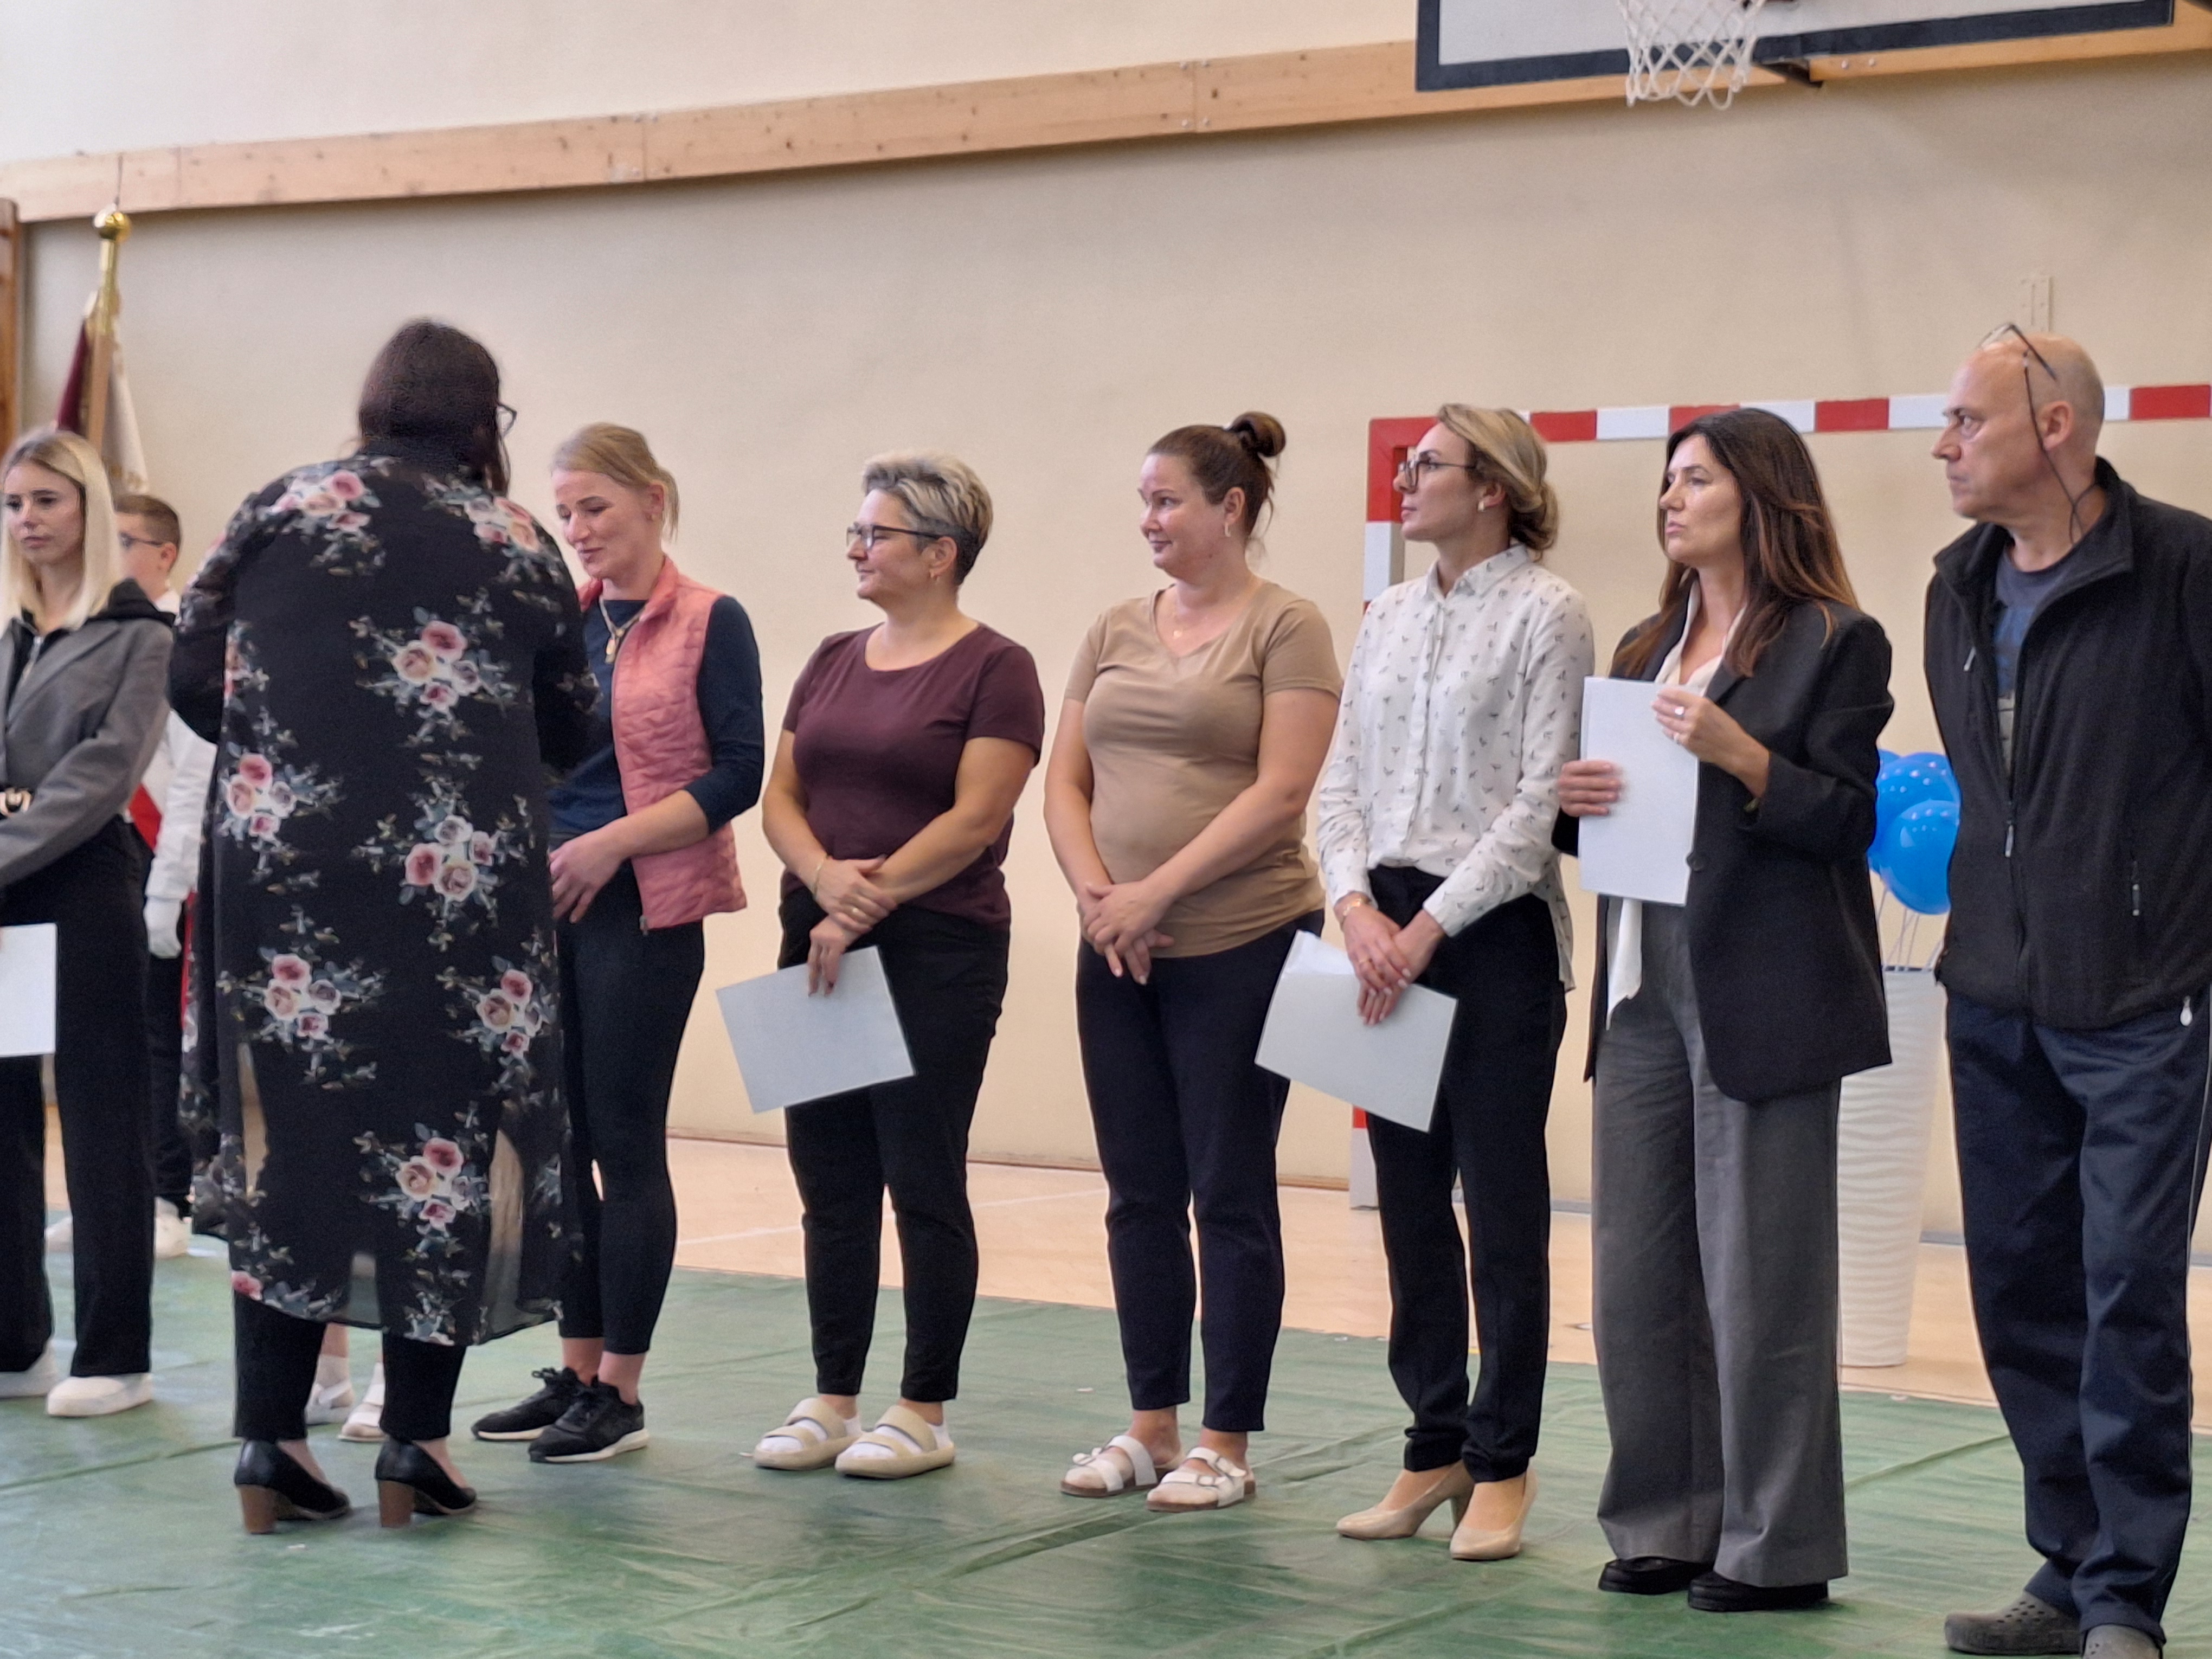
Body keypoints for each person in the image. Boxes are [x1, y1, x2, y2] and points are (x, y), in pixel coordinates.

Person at [170, 320, 596, 1532]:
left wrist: (303, 746)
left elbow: (192, 676)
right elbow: (573, 720)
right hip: (459, 892)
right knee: (443, 1151)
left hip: (286, 882)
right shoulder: (514, 538)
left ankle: (269, 1446)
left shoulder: (280, 507)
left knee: (286, 1148)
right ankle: (415, 1445)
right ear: (481, 420)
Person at [1555, 408, 1892, 1612]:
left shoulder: (1834, 640)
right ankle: (1666, 1522)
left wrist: (1743, 755)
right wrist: (1575, 802)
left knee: (1763, 1281)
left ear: (1760, 493)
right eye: (1667, 481)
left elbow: (1847, 818)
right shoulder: (1646, 642)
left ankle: (1775, 1547)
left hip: (1764, 987)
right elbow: (1616, 823)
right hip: (1641, 981)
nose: (1670, 498)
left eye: (1695, 479)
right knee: (1636, 1274)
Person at [1926, 332, 2212, 1659]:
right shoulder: (1956, 585)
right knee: (2020, 1291)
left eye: (1966, 422)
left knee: (2126, 1295)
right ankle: (2072, 1562)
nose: (1943, 446)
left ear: (2055, 429)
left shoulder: (2185, 570)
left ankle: (2125, 1604)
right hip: (1994, 995)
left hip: (2146, 997)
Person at [1044, 413, 1339, 1513]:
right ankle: (1152, 1425)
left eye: (1167, 501)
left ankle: (1227, 1440)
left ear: (1232, 508)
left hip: (1245, 943)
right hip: (1118, 948)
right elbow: (1065, 781)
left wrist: (1156, 893)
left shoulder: (1287, 626)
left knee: (1229, 1190)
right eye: (1144, 502)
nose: (1149, 520)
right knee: (1138, 1193)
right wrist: (1100, 898)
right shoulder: (1113, 627)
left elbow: (1282, 791)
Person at [1313, 407, 1592, 1559]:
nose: (1406, 478)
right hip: (1379, 927)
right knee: (1408, 1203)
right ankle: (1430, 1440)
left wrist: (1426, 928)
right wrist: (1353, 908)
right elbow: (1339, 780)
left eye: (1428, 464)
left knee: (1502, 1206)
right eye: (1406, 462)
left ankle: (1502, 1460)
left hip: (1490, 936)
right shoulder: (1384, 615)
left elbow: (1541, 802)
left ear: (1494, 488)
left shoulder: (1548, 611)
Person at [472, 425, 762, 1462]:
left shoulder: (710, 621)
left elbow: (738, 774)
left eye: (595, 506)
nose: (580, 529)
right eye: (566, 512)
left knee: (625, 1143)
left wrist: (611, 845)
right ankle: (577, 1367)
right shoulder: (566, 623)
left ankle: (623, 1393)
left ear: (653, 500)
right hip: (550, 908)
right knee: (560, 1147)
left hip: (643, 907)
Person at [753, 451, 1041, 1481]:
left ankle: (923, 1408)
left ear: (940, 553)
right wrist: (825, 883)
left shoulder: (997, 668)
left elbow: (976, 818)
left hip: (937, 947)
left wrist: (864, 902)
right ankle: (833, 1396)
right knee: (827, 1179)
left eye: (876, 534)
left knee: (921, 1176)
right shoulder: (833, 656)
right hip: (817, 937)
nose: (856, 550)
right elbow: (780, 796)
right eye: (857, 532)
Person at [0, 428, 173, 1418]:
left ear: (89, 509)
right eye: (15, 503)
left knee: (104, 1121)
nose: (28, 520)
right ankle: (14, 1339)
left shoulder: (140, 635)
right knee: (1, 1114)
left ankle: (116, 1356)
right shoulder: (13, 630)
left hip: (82, 888)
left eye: (47, 500)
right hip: (8, 892)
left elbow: (98, 778)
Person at [112, 493, 217, 1264]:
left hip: (163, 859)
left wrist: (165, 888)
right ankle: (115, 1195)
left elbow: (192, 778)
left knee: (160, 1036)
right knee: (104, 1034)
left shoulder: (184, 641)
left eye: (123, 541)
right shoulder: (94, 634)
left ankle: (166, 1197)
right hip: (104, 853)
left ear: (164, 554)